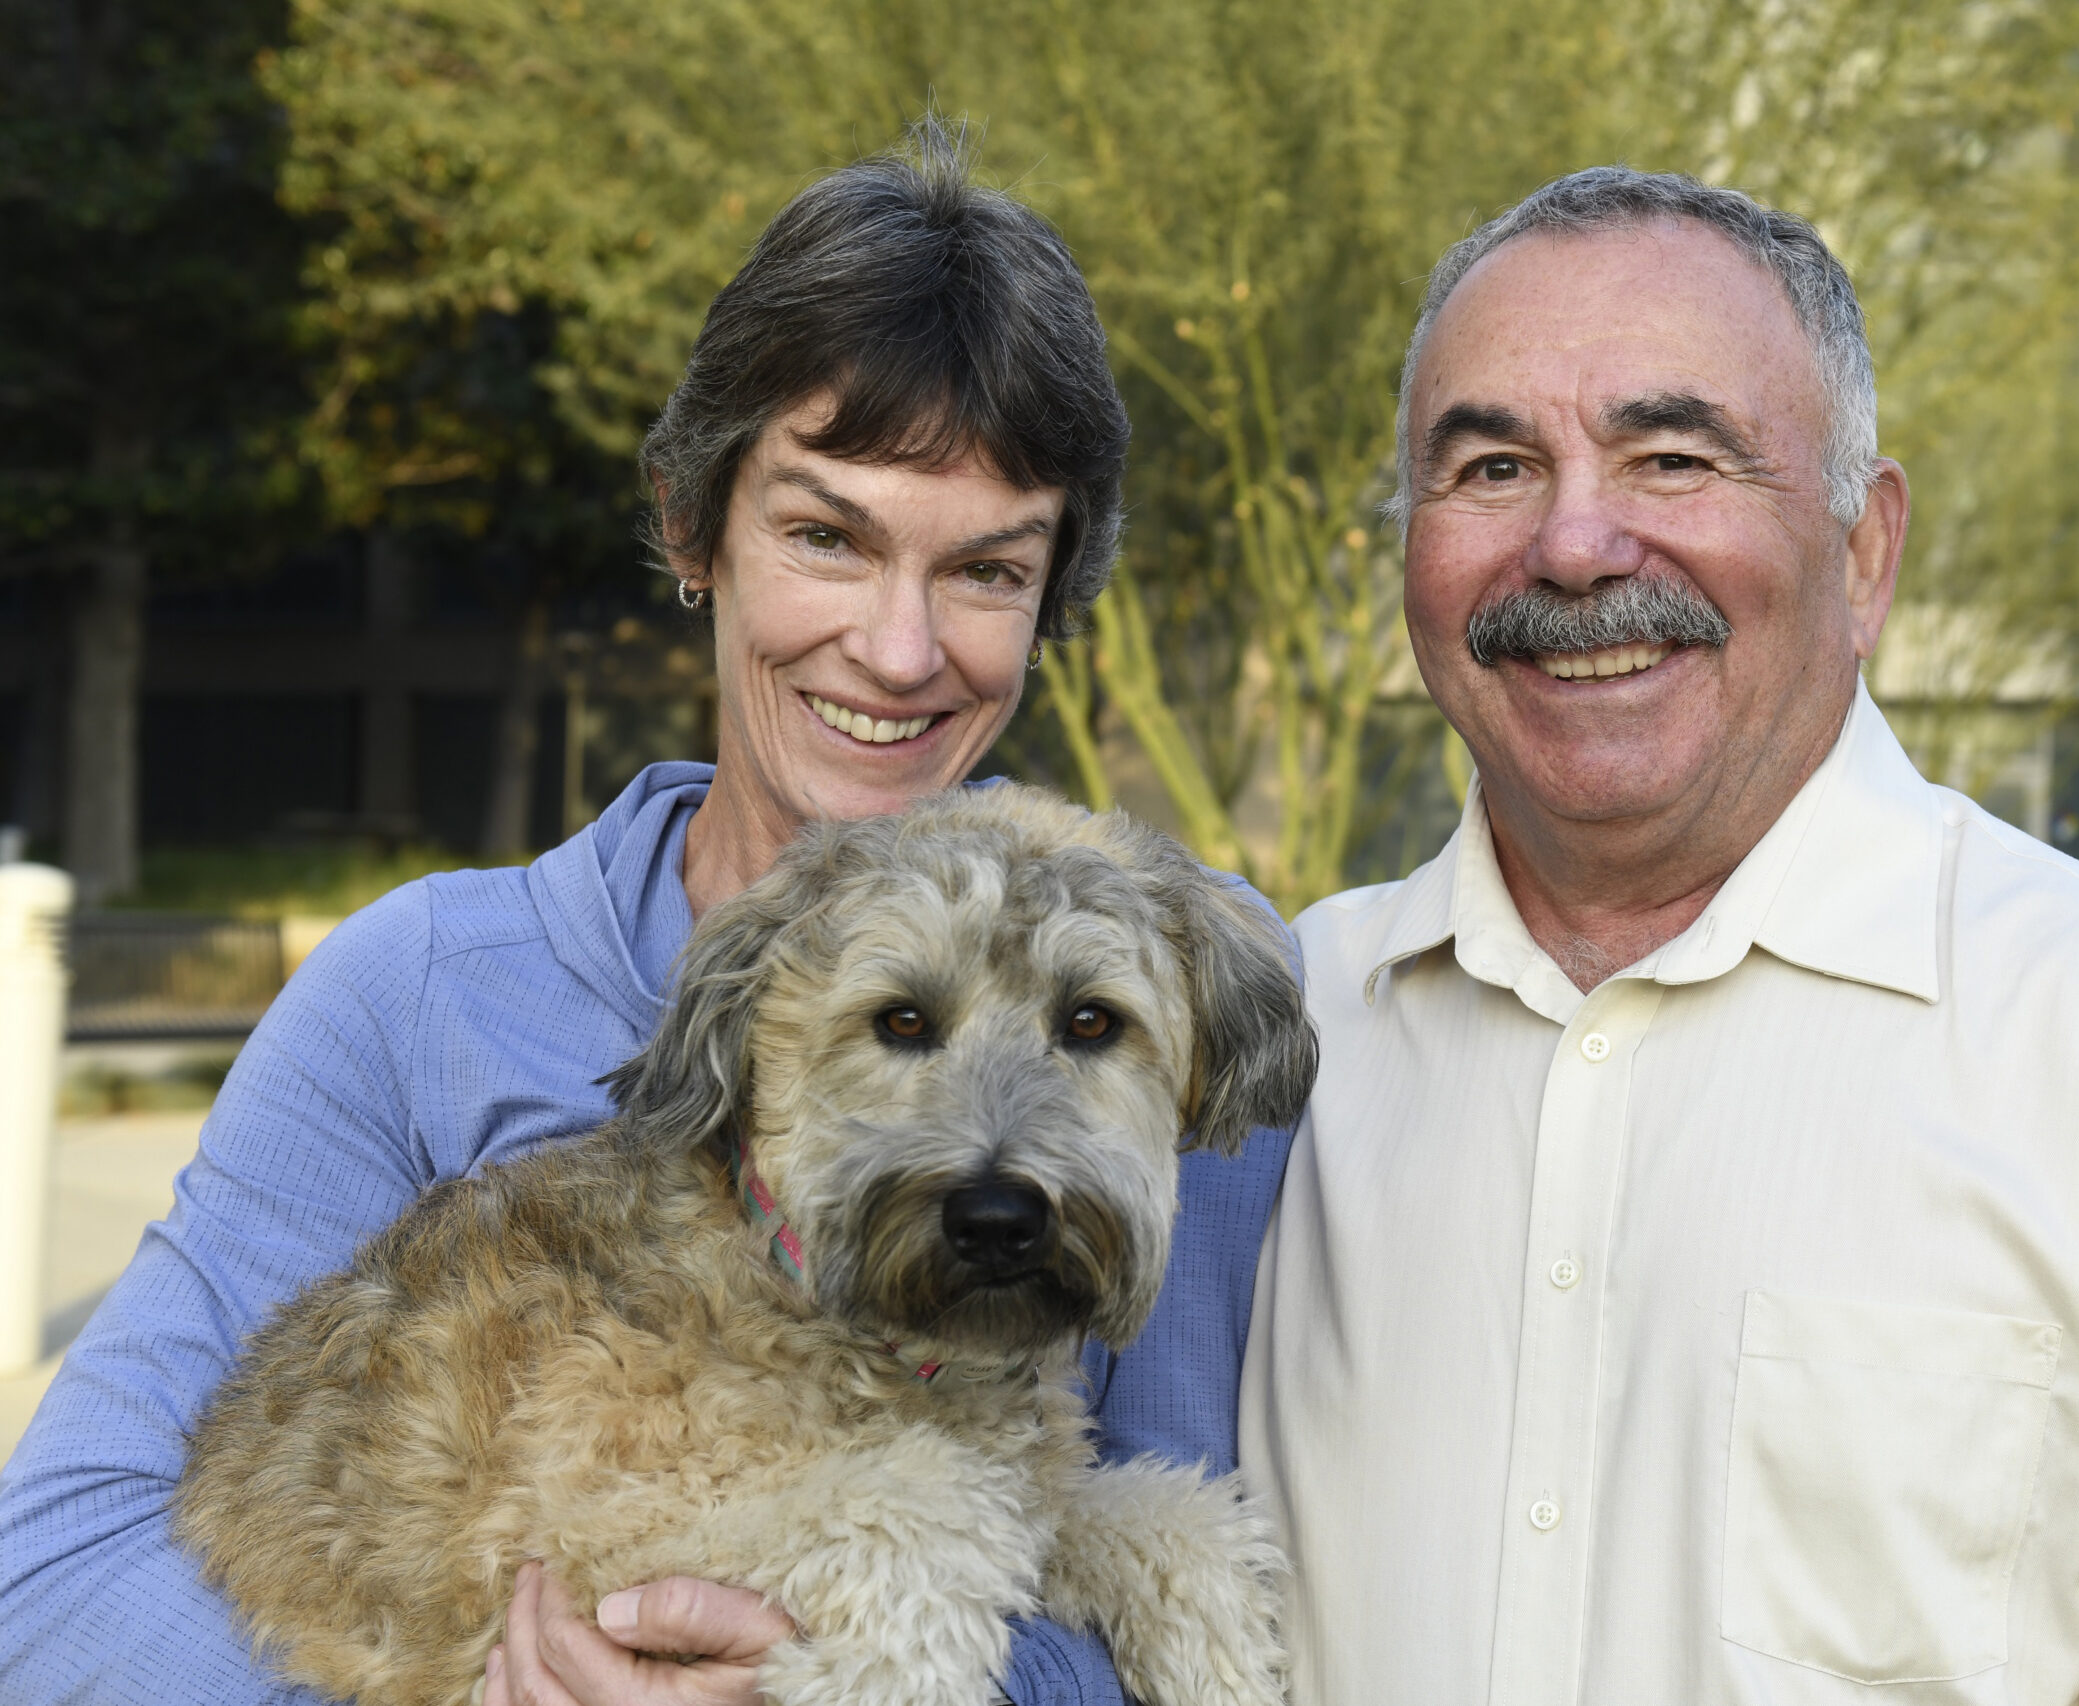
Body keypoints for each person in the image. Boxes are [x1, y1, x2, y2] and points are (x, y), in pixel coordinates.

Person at [0, 127, 1285, 1706]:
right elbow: (58, 1573)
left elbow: (1233, 1565)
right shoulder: (422, 992)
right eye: (826, 534)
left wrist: (972, 1681)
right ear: (696, 530)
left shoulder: (1181, 990)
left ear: (1053, 595)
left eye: (986, 571)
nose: (898, 649)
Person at [1240, 167, 2079, 1703]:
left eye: (1673, 458)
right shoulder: (1278, 1039)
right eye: (1489, 468)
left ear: (1865, 554)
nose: (1578, 543)